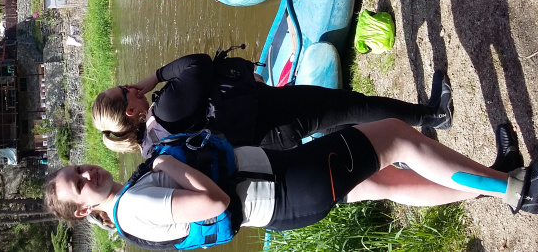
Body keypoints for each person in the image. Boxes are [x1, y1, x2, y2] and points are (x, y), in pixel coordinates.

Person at [44, 118, 538, 246]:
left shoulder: (130, 201)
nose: (87, 174)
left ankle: (497, 179)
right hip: (288, 186)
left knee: (384, 182)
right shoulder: (135, 208)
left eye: (77, 169)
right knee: (395, 138)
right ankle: (516, 189)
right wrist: (167, 166)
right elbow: (213, 204)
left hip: (284, 187)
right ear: (85, 210)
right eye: (79, 185)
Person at [91, 53, 522, 173]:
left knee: (348, 122)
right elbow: (197, 65)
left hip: (266, 140)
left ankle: (421, 134)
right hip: (275, 117)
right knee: (350, 106)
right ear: (130, 109)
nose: (130, 86)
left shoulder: (154, 148)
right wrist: (153, 77)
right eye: (125, 90)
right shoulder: (165, 110)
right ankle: (432, 115)